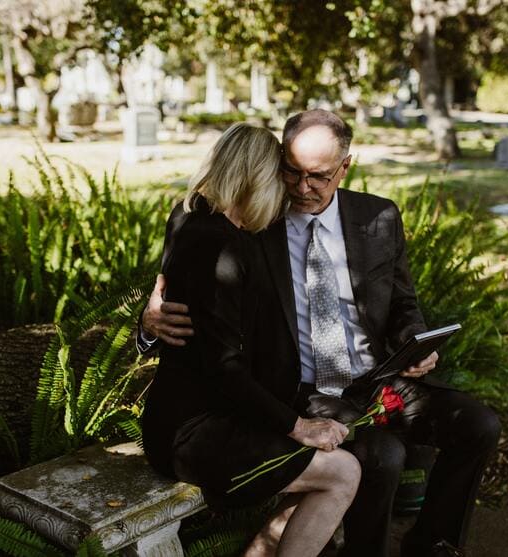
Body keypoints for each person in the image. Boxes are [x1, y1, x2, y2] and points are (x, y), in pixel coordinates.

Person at [141, 110, 501, 557]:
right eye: (291, 172)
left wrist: (416, 342)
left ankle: (434, 544)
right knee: (382, 457)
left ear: (345, 166)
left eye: (318, 176)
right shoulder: (255, 219)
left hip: (376, 375)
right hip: (304, 387)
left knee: (479, 425)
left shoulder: (378, 217)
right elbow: (189, 289)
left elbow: (404, 303)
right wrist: (147, 323)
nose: (302, 188)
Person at [141, 122, 361, 557]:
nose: (291, 190)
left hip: (219, 414)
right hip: (195, 430)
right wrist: (297, 426)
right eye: (282, 176)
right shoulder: (214, 243)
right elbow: (220, 362)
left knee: (336, 462)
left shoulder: (203, 218)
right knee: (342, 472)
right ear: (257, 175)